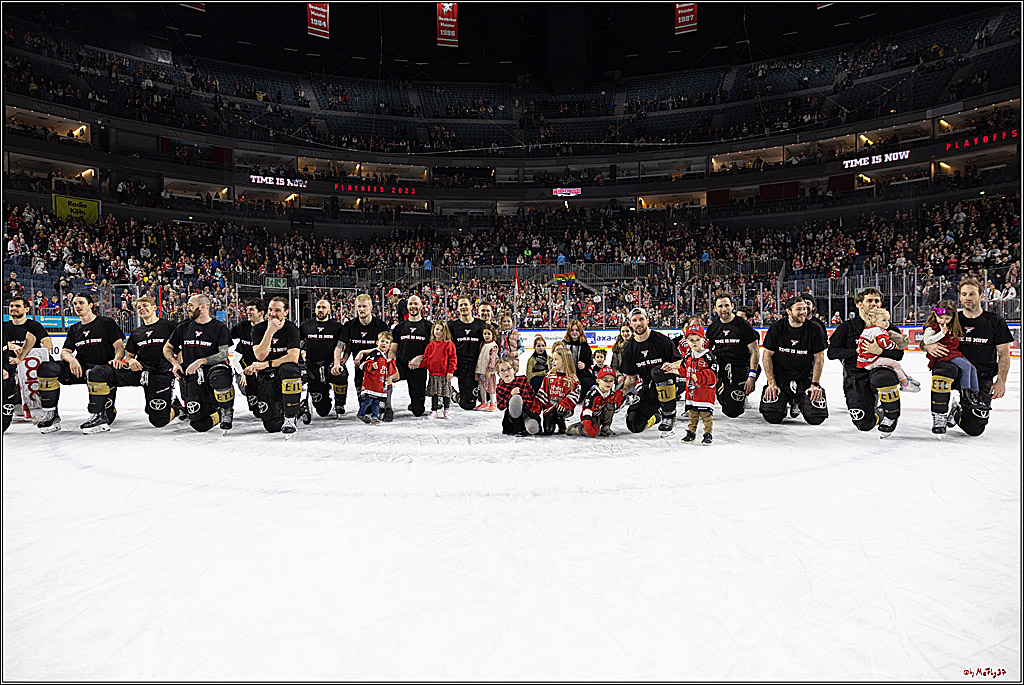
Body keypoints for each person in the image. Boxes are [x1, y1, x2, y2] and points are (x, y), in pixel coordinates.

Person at [924, 278, 1013, 437]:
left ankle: (957, 412)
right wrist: (927, 346)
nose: (968, 298)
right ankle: (939, 417)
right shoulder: (951, 317)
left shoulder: (995, 321)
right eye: (964, 294)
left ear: (981, 296)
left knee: (975, 428)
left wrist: (1001, 381)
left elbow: (1004, 354)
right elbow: (928, 338)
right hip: (954, 370)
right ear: (959, 297)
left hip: (981, 376)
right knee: (942, 371)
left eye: (972, 294)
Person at [80, 297, 178, 433]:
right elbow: (129, 356)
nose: (142, 309)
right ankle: (102, 412)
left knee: (158, 420)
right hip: (139, 371)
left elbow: (181, 349)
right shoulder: (137, 333)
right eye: (139, 307)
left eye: (145, 305)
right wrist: (130, 361)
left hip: (160, 373)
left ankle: (176, 407)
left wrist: (178, 365)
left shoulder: (169, 326)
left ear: (155, 307)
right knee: (101, 371)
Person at [36, 292, 125, 433]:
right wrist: (72, 360)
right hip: (81, 369)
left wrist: (117, 359)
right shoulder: (74, 329)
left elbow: (119, 348)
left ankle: (100, 415)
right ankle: (51, 414)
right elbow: (65, 351)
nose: (77, 306)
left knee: (109, 416)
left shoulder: (106, 323)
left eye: (81, 303)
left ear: (91, 305)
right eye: (75, 304)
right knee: (46, 369)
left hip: (102, 371)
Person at [827, 287, 904, 436]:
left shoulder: (889, 327)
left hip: (879, 370)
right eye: (869, 300)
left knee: (884, 376)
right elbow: (832, 352)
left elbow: (898, 355)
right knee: (864, 424)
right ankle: (878, 411)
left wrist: (880, 351)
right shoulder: (846, 327)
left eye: (877, 301)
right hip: (856, 375)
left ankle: (891, 415)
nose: (874, 304)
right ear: (859, 304)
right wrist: (854, 351)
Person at [163, 294, 236, 433]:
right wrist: (174, 363)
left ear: (202, 307)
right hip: (192, 377)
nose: (187, 308)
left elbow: (223, 355)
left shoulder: (219, 328)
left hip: (213, 372)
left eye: (191, 305)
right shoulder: (183, 327)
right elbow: (167, 348)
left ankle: (226, 410)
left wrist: (202, 361)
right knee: (200, 424)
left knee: (220, 376)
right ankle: (215, 412)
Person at [760, 296, 828, 425]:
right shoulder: (777, 327)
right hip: (781, 379)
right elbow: (767, 356)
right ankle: (784, 402)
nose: (803, 312)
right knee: (772, 416)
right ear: (788, 311)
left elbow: (819, 358)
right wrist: (771, 383)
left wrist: (815, 384)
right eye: (798, 309)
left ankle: (800, 402)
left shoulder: (815, 329)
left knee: (816, 418)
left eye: (805, 309)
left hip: (805, 379)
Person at [245, 297, 305, 435]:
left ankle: (291, 417)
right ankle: (301, 409)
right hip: (267, 375)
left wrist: (267, 364)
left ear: (286, 312)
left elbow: (293, 357)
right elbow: (260, 355)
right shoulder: (258, 329)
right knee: (272, 426)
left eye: (277, 310)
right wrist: (269, 332)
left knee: (289, 368)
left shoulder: (292, 329)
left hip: (286, 372)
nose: (272, 314)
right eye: (270, 310)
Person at [620, 307, 681, 435]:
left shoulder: (662, 340)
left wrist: (671, 366)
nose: (638, 323)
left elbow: (679, 362)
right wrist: (621, 393)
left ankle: (669, 415)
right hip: (649, 389)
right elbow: (631, 379)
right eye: (634, 320)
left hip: (669, 384)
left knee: (657, 371)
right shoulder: (629, 350)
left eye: (641, 319)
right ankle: (658, 414)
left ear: (647, 320)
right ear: (630, 323)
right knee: (634, 424)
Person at [3, 295, 53, 432]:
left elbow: (47, 342)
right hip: (10, 363)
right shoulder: (4, 326)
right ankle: (14, 404)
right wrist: (12, 346)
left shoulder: (34, 325)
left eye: (17, 306)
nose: (13, 309)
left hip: (30, 365)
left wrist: (42, 352)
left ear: (26, 309)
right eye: (12, 306)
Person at [705, 294, 760, 418]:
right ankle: (726, 387)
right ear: (715, 308)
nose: (724, 309)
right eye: (720, 306)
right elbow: (706, 352)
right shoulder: (713, 328)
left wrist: (751, 376)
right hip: (721, 369)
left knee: (733, 412)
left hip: (740, 367)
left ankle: (739, 392)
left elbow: (755, 351)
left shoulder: (744, 326)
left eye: (726, 305)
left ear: (732, 306)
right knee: (726, 402)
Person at [339, 294, 390, 418]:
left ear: (371, 307)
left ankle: (384, 403)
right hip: (360, 367)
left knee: (377, 407)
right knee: (366, 409)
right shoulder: (350, 325)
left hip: (377, 368)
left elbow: (385, 347)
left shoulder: (381, 326)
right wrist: (344, 358)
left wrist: (363, 352)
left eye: (364, 306)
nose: (361, 309)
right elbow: (345, 345)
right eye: (359, 307)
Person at [669, 323, 718, 445]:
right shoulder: (688, 356)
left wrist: (700, 376)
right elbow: (683, 371)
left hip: (705, 393)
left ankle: (708, 434)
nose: (694, 342)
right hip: (691, 393)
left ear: (703, 340)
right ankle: (691, 433)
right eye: (691, 340)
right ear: (686, 341)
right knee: (692, 415)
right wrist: (672, 370)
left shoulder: (708, 357)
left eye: (697, 339)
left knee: (706, 416)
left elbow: (714, 374)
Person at [301, 298, 346, 419]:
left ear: (329, 310)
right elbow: (298, 343)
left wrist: (343, 359)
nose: (321, 310)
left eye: (324, 307)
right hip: (313, 367)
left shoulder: (337, 327)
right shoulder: (306, 326)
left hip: (330, 364)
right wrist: (302, 352)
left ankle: (340, 403)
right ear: (315, 309)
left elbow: (344, 344)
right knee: (323, 411)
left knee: (341, 373)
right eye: (318, 307)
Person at [857, 307, 920, 392]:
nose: (887, 323)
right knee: (895, 364)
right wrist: (895, 346)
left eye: (888, 320)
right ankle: (905, 383)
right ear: (874, 321)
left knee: (892, 363)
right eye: (884, 320)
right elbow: (885, 343)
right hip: (871, 360)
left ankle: (905, 377)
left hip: (863, 360)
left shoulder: (867, 330)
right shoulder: (878, 330)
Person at [390, 294, 432, 417]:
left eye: (416, 304)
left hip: (419, 368)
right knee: (386, 372)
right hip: (401, 365)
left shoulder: (428, 327)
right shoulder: (400, 327)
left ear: (421, 306)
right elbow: (393, 349)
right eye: (410, 304)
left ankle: (415, 403)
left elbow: (434, 351)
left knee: (418, 411)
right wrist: (391, 360)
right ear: (407, 306)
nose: (413, 306)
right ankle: (385, 406)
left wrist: (421, 358)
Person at [447, 296, 484, 410]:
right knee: (467, 404)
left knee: (484, 398)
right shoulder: (452, 326)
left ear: (471, 307)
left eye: (465, 304)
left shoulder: (480, 324)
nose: (463, 307)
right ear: (457, 308)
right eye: (461, 305)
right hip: (461, 366)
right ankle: (454, 395)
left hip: (477, 366)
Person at [566, 366, 624, 438]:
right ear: (598, 380)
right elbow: (586, 411)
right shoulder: (592, 395)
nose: (608, 383)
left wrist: (620, 399)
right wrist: (587, 425)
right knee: (594, 432)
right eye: (605, 380)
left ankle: (606, 427)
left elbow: (616, 409)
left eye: (611, 381)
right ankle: (576, 429)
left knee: (610, 405)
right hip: (590, 417)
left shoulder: (611, 394)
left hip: (600, 415)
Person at [229, 298, 265, 416]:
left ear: (261, 312)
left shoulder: (269, 328)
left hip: (265, 369)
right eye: (247, 309)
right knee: (256, 410)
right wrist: (241, 373)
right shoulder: (242, 327)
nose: (247, 312)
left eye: (251, 309)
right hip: (247, 370)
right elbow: (226, 339)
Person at [536, 346, 580, 435]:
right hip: (549, 409)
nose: (553, 362)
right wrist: (536, 407)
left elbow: (575, 394)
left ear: (565, 360)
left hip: (562, 409)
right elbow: (542, 392)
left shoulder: (572, 379)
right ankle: (552, 420)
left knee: (560, 412)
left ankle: (561, 423)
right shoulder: (549, 376)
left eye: (556, 359)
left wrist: (565, 403)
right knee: (548, 431)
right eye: (553, 359)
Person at [357, 331, 397, 425]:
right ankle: (361, 414)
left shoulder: (384, 356)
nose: (384, 344)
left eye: (387, 342)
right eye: (382, 341)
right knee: (368, 401)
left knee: (376, 402)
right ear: (377, 342)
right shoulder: (375, 353)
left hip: (379, 384)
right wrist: (372, 366)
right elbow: (364, 364)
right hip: (371, 384)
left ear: (389, 346)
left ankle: (374, 417)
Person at [496, 358, 542, 435]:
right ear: (499, 374)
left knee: (533, 428)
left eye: (508, 369)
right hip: (513, 417)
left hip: (527, 413)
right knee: (516, 398)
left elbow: (532, 394)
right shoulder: (500, 387)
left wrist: (534, 409)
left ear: (514, 370)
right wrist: (510, 395)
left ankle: (526, 425)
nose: (506, 372)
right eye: (502, 370)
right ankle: (518, 426)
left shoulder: (523, 379)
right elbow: (500, 406)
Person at [423, 321, 456, 419]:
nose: (439, 332)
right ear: (433, 330)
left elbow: (453, 359)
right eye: (437, 329)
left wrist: (451, 371)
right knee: (435, 394)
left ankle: (446, 410)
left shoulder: (449, 344)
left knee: (446, 393)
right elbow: (425, 359)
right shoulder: (430, 345)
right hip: (433, 374)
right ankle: (434, 411)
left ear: (445, 332)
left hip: (445, 374)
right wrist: (417, 365)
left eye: (441, 330)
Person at [564, 320, 595, 398]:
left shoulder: (585, 346)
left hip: (581, 372)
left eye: (577, 330)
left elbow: (590, 361)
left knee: (588, 382)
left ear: (580, 332)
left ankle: (582, 397)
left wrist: (584, 365)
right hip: (566, 371)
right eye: (572, 330)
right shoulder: (564, 344)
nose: (574, 332)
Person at [474, 324, 498, 411]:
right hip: (481, 370)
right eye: (485, 334)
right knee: (482, 386)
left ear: (493, 335)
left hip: (488, 372)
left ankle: (493, 402)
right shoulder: (482, 344)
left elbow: (493, 359)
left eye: (489, 334)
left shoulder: (493, 346)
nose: (486, 336)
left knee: (491, 387)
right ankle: (484, 402)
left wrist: (490, 370)